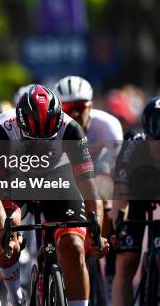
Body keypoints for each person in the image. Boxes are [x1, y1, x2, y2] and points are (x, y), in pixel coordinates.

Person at [0, 85, 108, 305]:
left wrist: (96, 233)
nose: (40, 145)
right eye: (32, 140)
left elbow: (88, 185)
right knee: (3, 239)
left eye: (47, 139)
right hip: (15, 177)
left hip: (57, 177)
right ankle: (15, 297)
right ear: (20, 125)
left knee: (74, 245)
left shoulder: (71, 129)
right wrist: (5, 234)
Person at [111, 96, 160, 305]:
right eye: (151, 138)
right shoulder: (134, 143)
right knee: (126, 261)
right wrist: (118, 226)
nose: (156, 146)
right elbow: (120, 192)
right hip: (139, 194)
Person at [54, 75, 123, 234]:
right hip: (68, 172)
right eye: (68, 108)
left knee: (104, 187)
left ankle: (107, 239)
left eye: (80, 107)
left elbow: (118, 172)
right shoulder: (54, 129)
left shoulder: (108, 125)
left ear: (90, 106)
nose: (75, 114)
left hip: (99, 171)